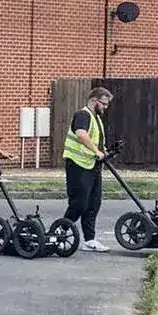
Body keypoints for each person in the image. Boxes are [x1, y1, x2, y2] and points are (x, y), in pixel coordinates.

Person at [61, 86, 113, 253]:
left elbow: (96, 141)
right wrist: (96, 151)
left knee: (93, 203)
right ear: (94, 101)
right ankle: (60, 233)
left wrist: (104, 152)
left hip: (92, 166)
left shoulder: (96, 118)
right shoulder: (82, 115)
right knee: (79, 203)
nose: (105, 107)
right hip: (78, 165)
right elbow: (81, 134)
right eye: (104, 104)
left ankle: (89, 240)